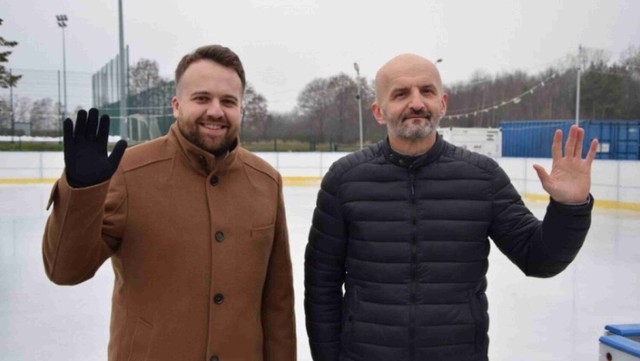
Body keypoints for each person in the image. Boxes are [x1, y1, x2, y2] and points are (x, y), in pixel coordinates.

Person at [304, 53, 598, 361]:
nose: (416, 103)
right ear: (379, 111)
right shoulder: (345, 179)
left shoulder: (482, 177)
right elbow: (321, 285)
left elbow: (539, 259)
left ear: (442, 103)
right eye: (401, 94)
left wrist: (569, 206)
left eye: (427, 91)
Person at [43, 45, 296, 361]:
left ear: (241, 109)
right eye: (202, 98)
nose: (216, 111)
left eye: (228, 101)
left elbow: (278, 304)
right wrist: (80, 193)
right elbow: (65, 270)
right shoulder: (129, 172)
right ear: (177, 105)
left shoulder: (265, 181)